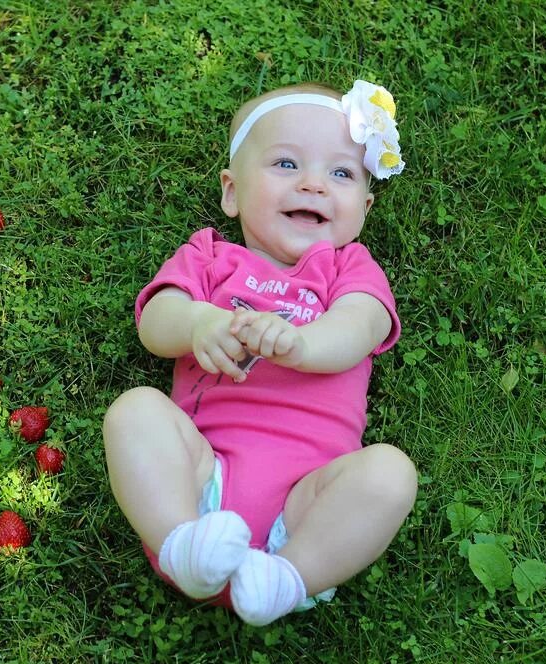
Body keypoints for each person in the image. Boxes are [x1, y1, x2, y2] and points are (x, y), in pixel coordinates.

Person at [103, 80, 418, 626]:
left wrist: (301, 343)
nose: (315, 185)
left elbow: (358, 328)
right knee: (133, 409)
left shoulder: (350, 269)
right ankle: (180, 545)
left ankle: (289, 576)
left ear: (363, 209)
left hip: (307, 506)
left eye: (341, 173)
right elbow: (155, 323)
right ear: (231, 191)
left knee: (391, 474)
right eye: (286, 164)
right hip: (200, 476)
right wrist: (198, 320)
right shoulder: (209, 256)